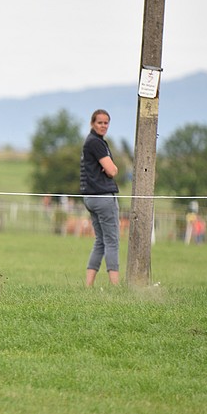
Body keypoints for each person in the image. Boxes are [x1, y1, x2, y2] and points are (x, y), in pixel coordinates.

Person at [80, 109, 120, 287]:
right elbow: (111, 170)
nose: (103, 126)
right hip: (103, 197)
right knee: (112, 241)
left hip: (90, 197)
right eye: (100, 122)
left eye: (106, 123)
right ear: (92, 123)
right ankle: (115, 285)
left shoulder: (91, 142)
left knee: (100, 241)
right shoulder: (96, 143)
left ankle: (88, 285)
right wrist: (113, 169)